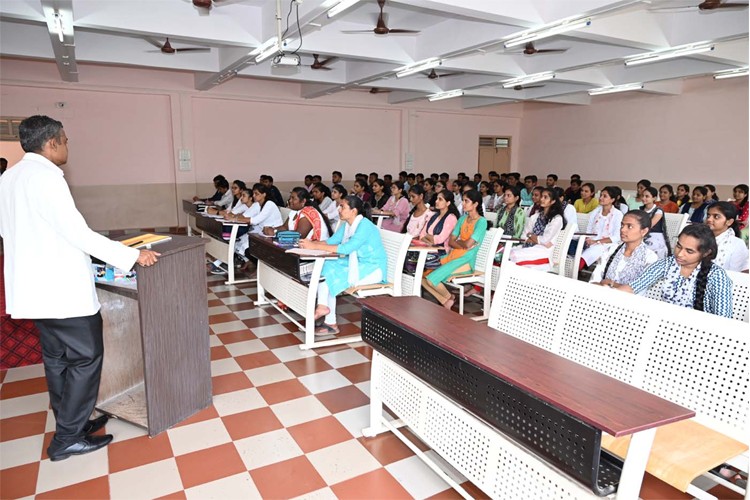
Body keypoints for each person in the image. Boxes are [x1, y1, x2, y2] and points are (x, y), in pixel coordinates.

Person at [0, 115, 159, 461]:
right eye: (66, 140)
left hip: (33, 290)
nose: (68, 146)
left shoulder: (9, 178)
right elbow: (79, 234)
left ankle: (71, 422)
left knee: (58, 361)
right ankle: (67, 439)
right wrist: (132, 257)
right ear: (52, 142)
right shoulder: (46, 179)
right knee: (86, 359)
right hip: (61, 293)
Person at [300, 196, 387, 334]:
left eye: (342, 207)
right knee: (327, 265)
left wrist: (314, 245)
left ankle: (328, 317)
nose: (339, 210)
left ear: (353, 211)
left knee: (330, 273)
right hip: (358, 263)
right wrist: (308, 244)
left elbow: (346, 248)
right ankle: (325, 311)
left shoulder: (364, 226)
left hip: (373, 268)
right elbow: (331, 241)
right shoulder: (347, 225)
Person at [615, 225, 733, 318]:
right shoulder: (668, 263)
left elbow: (723, 320)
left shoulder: (717, 276)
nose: (680, 254)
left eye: (689, 251)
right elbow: (635, 286)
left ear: (706, 253)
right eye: (678, 246)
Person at [422, 190, 487, 310]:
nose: (463, 203)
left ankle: (448, 298)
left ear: (475, 204)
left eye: (466, 201)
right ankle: (447, 299)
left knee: (431, 280)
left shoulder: (481, 222)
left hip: (466, 260)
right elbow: (451, 241)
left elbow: (467, 245)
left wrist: (461, 244)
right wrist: (462, 244)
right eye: (462, 200)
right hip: (453, 255)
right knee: (422, 276)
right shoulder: (462, 219)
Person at [590, 210, 659, 287]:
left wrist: (612, 284)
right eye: (622, 225)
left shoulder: (650, 257)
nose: (622, 230)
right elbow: (594, 280)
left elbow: (640, 289)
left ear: (644, 231)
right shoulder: (612, 250)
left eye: (629, 226)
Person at [228, 183, 283, 270]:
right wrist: (236, 217)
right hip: (262, 233)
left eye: (256, 194)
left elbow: (255, 220)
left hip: (273, 234)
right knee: (240, 243)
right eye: (253, 193)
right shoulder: (259, 204)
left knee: (248, 248)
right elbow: (248, 216)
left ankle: (260, 269)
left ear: (264, 194)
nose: (254, 196)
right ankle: (252, 264)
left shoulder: (269, 204)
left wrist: (235, 218)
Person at [509, 187, 566, 271]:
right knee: (505, 254)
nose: (542, 199)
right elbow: (523, 236)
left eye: (545, 197)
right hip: (528, 247)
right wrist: (533, 238)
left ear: (553, 201)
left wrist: (530, 235)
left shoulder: (557, 219)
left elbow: (545, 240)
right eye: (542, 196)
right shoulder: (535, 216)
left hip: (543, 252)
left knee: (513, 258)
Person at [574, 186, 625, 271]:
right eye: (601, 195)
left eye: (605, 196)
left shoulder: (618, 214)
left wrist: (597, 241)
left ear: (612, 200)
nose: (601, 198)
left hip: (608, 244)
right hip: (592, 241)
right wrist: (588, 239)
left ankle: (575, 271)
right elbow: (589, 229)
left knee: (593, 251)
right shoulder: (596, 211)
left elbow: (617, 237)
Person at [263, 187, 332, 241]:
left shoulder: (309, 213)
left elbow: (299, 235)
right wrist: (271, 229)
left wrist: (275, 233)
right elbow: (285, 227)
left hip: (316, 248)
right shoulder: (294, 212)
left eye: (293, 198)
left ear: (303, 201)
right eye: (290, 198)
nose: (290, 200)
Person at [705, 202, 749, 272]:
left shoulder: (737, 244)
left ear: (729, 222)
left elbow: (735, 273)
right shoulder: (700, 237)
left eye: (716, 217)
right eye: (708, 216)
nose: (709, 220)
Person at [640, 186, 669, 259]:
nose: (644, 198)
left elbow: (650, 225)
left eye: (647, 196)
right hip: (641, 233)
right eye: (643, 196)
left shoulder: (658, 211)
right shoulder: (640, 209)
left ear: (654, 198)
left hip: (654, 236)